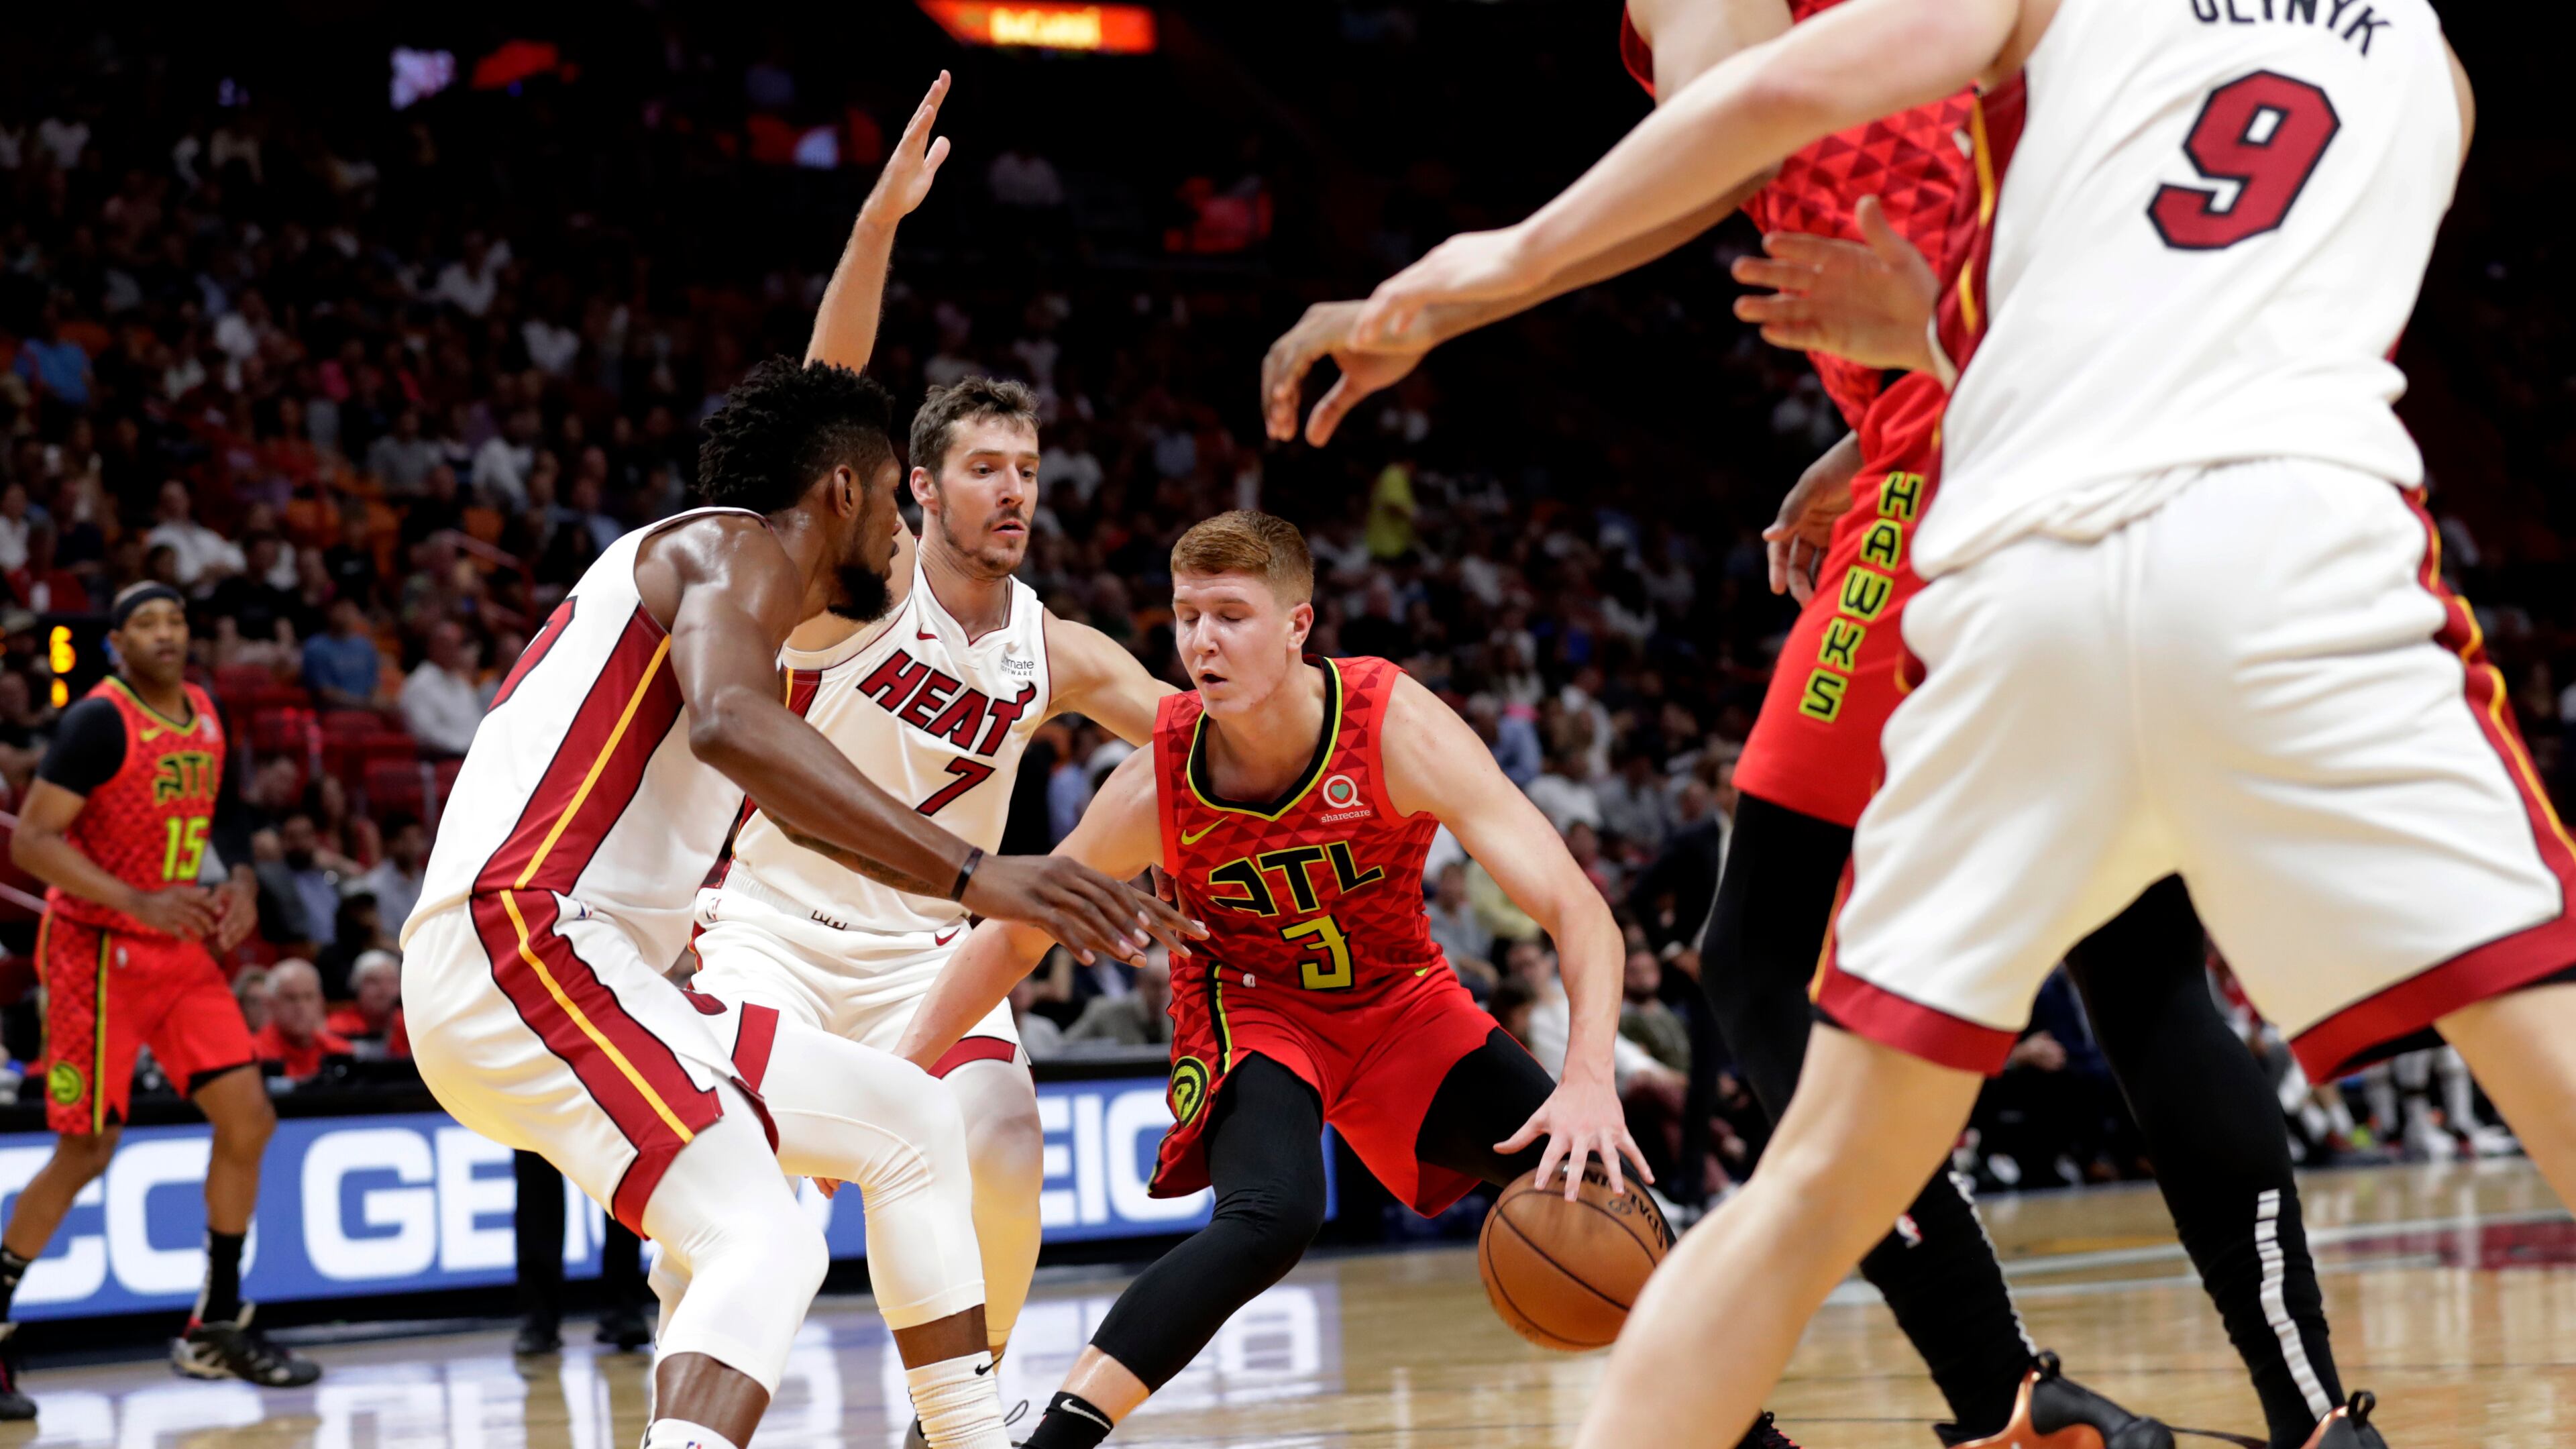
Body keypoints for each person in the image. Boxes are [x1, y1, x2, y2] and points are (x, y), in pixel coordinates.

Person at [1352, 4, 2562, 1449]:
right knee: (2184, 978)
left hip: (1997, 477)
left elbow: (1737, 118)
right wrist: (1896, 393)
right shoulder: (2422, 64)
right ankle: (2284, 1416)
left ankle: (2012, 1395)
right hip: (2151, 473)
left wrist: (1481, 273)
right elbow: (2153, 264)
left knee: (1787, 1022)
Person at [398, 69, 1197, 1449]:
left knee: (906, 1125)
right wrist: (981, 875)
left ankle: (964, 1436)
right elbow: (729, 724)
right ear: (852, 492)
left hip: (602, 962)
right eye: (898, 496)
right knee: (761, 1239)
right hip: (535, 940)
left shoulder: (822, 591)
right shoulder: (730, 549)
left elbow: (790, 759)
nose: (907, 522)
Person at [897, 511, 1664, 1449]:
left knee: (1611, 1206)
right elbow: (1014, 941)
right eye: (1186, 617)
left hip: (1402, 1003)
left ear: (1300, 626)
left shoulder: (1395, 727)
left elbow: (1577, 909)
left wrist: (1589, 1080)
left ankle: (1749, 1434)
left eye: (1231, 615)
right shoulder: (1157, 782)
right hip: (1251, 1009)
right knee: (1274, 1214)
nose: (1200, 642)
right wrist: (892, 1074)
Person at [687, 72, 1180, 1394]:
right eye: (983, 468)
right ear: (916, 487)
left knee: (1006, 1136)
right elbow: (821, 388)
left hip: (930, 953)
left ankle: (953, 1414)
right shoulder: (866, 578)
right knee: (724, 1181)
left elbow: (1199, 732)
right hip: (772, 927)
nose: (1012, 489)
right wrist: (878, 226)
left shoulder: (1056, 652)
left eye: (1026, 469)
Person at [0, 584, 323, 1421]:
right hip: (96, 954)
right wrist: (134, 900)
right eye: (146, 624)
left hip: (178, 949)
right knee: (87, 1152)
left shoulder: (207, 712)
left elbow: (210, 821)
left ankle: (216, 1325)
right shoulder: (96, 723)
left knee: (249, 1121)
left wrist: (242, 880)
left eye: (176, 620)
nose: (166, 633)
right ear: (116, 644)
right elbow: (33, 840)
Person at [400, 621, 488, 756]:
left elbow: (476, 723)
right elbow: (426, 733)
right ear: (433, 647)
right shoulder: (418, 684)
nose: (455, 652)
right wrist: (464, 747)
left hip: (470, 756)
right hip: (438, 758)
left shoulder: (462, 685)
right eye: (448, 646)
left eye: (457, 646)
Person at [254, 959, 352, 1079]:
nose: (301, 1007)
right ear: (271, 1004)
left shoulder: (340, 1053)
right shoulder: (253, 1056)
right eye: (291, 998)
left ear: (321, 1002)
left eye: (309, 997)